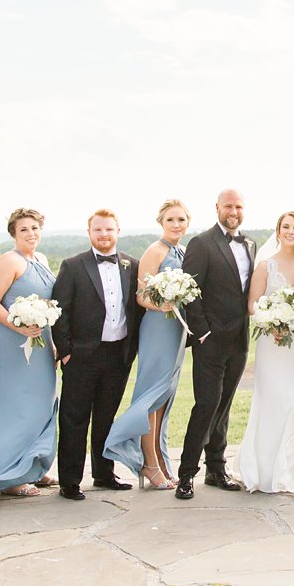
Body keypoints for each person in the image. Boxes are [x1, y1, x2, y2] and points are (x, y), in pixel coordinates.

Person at [51, 209, 142, 498]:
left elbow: (138, 310)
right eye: (98, 230)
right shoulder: (73, 265)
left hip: (118, 355)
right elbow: (59, 311)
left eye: (109, 230)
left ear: (118, 232)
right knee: (74, 418)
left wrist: (133, 350)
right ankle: (70, 481)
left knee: (106, 416)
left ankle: (104, 473)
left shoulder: (133, 265)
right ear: (89, 232)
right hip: (81, 356)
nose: (104, 234)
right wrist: (65, 352)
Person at [0, 208, 59, 499]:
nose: (31, 233)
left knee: (38, 406)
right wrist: (18, 326)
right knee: (12, 409)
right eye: (24, 230)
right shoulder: (9, 261)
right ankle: (8, 476)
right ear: (14, 233)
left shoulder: (42, 260)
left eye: (35, 228)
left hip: (41, 345)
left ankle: (31, 466)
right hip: (12, 346)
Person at [104, 199, 192, 489]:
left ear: (187, 223)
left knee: (164, 397)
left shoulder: (181, 250)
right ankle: (149, 464)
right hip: (158, 327)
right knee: (153, 395)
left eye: (181, 220)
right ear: (161, 223)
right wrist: (164, 304)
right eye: (170, 220)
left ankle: (160, 460)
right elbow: (142, 296)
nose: (176, 225)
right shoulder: (155, 250)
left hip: (176, 330)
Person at [175, 189, 257, 499]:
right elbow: (190, 290)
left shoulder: (250, 243)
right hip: (210, 341)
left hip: (239, 340)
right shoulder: (201, 243)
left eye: (238, 206)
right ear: (217, 208)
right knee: (206, 405)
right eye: (228, 206)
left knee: (223, 406)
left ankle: (216, 468)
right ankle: (186, 474)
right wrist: (202, 332)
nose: (233, 211)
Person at [237, 211, 294, 493]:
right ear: (278, 231)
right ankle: (265, 471)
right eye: (286, 227)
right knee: (272, 401)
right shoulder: (265, 266)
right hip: (272, 343)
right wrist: (272, 323)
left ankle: (291, 472)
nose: (290, 231)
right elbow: (252, 305)